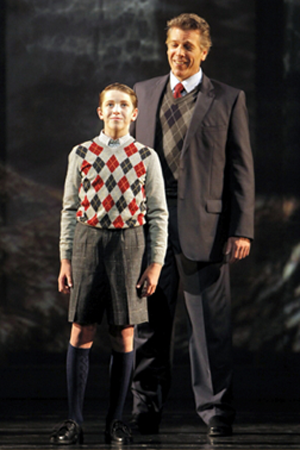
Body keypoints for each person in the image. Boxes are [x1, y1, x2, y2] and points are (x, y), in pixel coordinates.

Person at [131, 13, 255, 437]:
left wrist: (242, 229)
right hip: (150, 229)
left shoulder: (227, 98)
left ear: (204, 51)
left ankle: (216, 412)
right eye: (174, 44)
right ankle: (144, 408)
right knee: (148, 327)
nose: (179, 52)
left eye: (188, 46)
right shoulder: (143, 93)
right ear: (166, 46)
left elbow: (241, 169)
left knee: (209, 331)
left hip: (206, 228)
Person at [50, 83, 168, 446]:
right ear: (100, 112)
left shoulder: (146, 156)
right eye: (110, 104)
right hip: (88, 241)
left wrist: (155, 264)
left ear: (135, 113)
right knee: (81, 329)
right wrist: (65, 258)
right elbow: (70, 208)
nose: (117, 110)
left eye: (124, 105)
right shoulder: (82, 153)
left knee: (124, 332)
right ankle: (74, 420)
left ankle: (116, 420)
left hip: (129, 244)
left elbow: (159, 214)